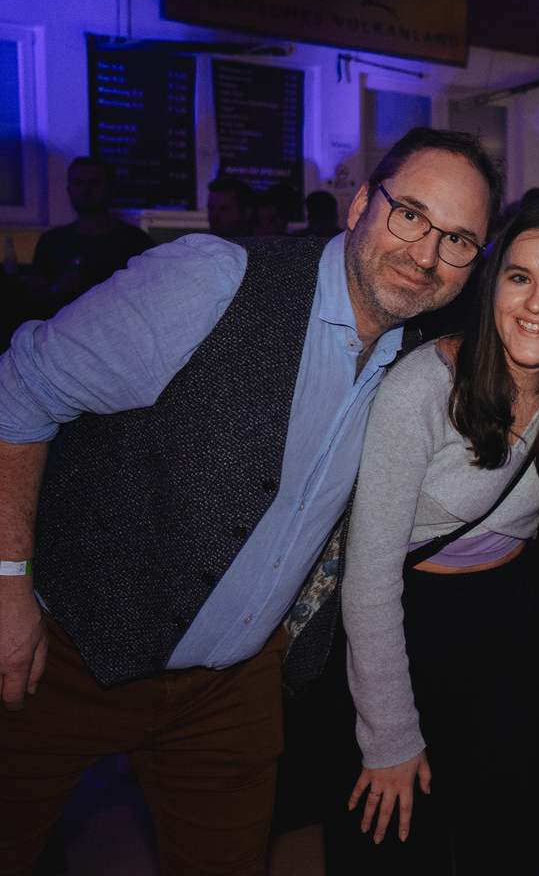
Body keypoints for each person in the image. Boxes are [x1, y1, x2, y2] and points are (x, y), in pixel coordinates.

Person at [0, 127, 499, 875]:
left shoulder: (418, 362)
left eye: (457, 239)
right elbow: (20, 391)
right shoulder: (214, 279)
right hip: (63, 644)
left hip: (233, 686)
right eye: (411, 216)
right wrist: (8, 583)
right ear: (361, 204)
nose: (426, 254)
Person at [339, 198, 539, 872]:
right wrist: (389, 736)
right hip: (410, 624)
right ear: (494, 284)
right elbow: (368, 582)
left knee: (507, 837)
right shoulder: (424, 389)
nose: (537, 304)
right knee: (402, 841)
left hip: (510, 619)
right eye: (520, 277)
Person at [26, 157, 154, 309]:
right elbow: (32, 299)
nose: (85, 190)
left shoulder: (136, 241)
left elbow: (151, 295)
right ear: (69, 190)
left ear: (112, 191)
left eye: (95, 183)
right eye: (78, 183)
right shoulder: (51, 241)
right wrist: (56, 289)